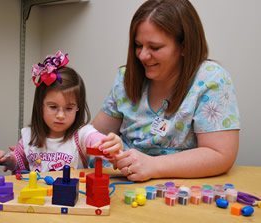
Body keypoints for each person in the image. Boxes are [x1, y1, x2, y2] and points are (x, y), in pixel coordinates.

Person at [92, 0, 240, 181]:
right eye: (138, 45)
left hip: (174, 189)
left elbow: (220, 155)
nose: (143, 56)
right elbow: (93, 135)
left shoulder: (211, 79)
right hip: (117, 183)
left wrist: (154, 166)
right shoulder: (127, 77)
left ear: (184, 46)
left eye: (154, 47)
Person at [0, 50, 122, 172]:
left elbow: (96, 140)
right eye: (53, 107)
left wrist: (110, 145)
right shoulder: (30, 136)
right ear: (40, 105)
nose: (60, 115)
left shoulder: (81, 134)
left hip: (73, 196)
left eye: (69, 108)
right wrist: (8, 160)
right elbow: (19, 164)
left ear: (78, 108)